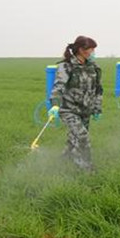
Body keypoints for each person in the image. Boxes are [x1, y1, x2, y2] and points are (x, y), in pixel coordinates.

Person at [48, 36, 103, 172]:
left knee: (74, 137)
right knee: (82, 136)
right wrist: (55, 104)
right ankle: (87, 168)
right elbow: (58, 86)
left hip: (86, 109)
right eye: (90, 49)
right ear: (81, 50)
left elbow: (98, 89)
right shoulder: (66, 66)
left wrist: (97, 108)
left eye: (94, 49)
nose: (93, 52)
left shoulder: (94, 67)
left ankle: (64, 159)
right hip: (69, 109)